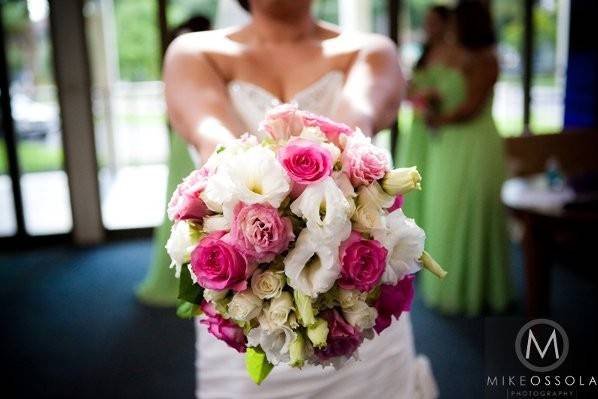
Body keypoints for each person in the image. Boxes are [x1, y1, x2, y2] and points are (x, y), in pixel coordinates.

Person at [163, 0, 438, 397]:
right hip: (248, 311)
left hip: (354, 310)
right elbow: (214, 141)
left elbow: (351, 128)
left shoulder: (372, 50)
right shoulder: (193, 53)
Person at [419, 1, 512, 316]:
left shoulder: (487, 60)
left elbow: (471, 107)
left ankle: (476, 289)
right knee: (446, 209)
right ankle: (449, 284)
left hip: (475, 145)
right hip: (447, 147)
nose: (451, 27)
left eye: (456, 22)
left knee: (472, 212)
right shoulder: (452, 55)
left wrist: (439, 119)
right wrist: (432, 105)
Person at [135, 15, 212, 307]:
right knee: (185, 205)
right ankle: (182, 274)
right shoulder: (188, 55)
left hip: (184, 136)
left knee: (188, 204)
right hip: (187, 139)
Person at [397, 5, 451, 225]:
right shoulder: (424, 53)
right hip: (417, 129)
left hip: (437, 128)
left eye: (434, 22)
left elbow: (448, 92)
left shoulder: (450, 54)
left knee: (434, 185)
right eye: (427, 21)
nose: (429, 27)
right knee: (411, 185)